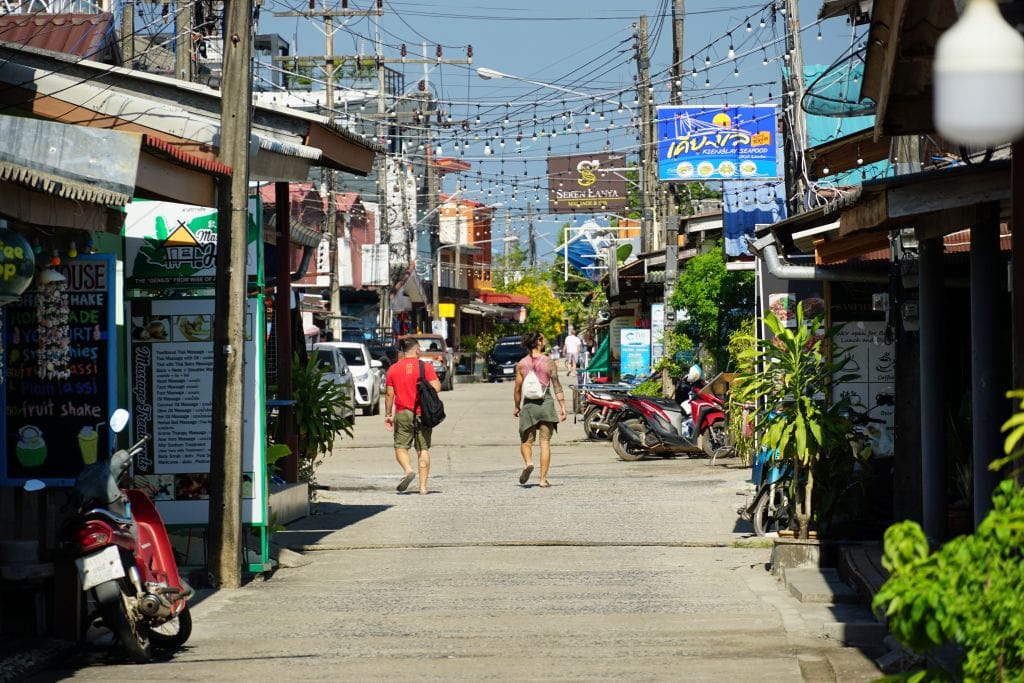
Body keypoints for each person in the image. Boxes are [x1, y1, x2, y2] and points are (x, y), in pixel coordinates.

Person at [384, 337, 441, 494]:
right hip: (423, 412)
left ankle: (408, 470)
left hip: (403, 413)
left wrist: (388, 414)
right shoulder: (426, 367)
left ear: (402, 351)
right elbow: (437, 387)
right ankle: (423, 488)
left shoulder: (393, 369)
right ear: (417, 350)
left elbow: (389, 395)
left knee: (401, 447)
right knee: (423, 449)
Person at [513, 331, 568, 488]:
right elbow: (556, 385)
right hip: (546, 404)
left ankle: (529, 463)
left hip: (529, 406)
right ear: (538, 342)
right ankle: (543, 480)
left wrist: (517, 406)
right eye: (542, 339)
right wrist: (563, 405)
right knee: (545, 442)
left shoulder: (521, 364)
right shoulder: (549, 362)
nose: (544, 341)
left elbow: (517, 389)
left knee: (526, 441)